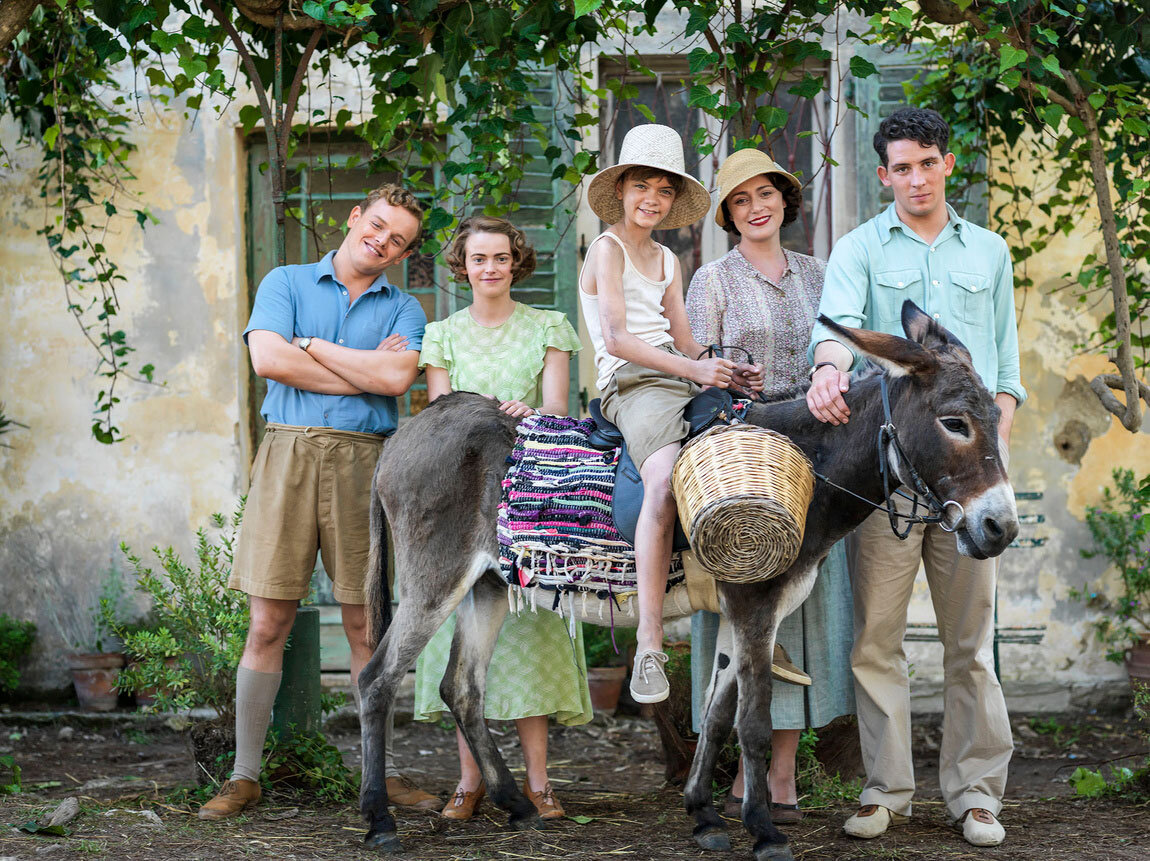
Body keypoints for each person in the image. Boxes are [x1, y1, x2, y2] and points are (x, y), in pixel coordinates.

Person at [806, 107, 1025, 848]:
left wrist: (990, 461)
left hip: (968, 481)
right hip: (892, 483)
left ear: (947, 164)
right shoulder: (860, 248)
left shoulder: (989, 251)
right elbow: (832, 333)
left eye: (927, 163)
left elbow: (1006, 373)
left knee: (972, 642)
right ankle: (886, 789)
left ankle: (977, 794)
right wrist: (827, 376)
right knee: (876, 639)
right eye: (902, 167)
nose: (916, 177)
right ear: (885, 174)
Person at [198, 183, 439, 820]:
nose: (382, 242)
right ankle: (244, 775)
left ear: (402, 253)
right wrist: (356, 366)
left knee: (368, 626)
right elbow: (265, 358)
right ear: (355, 216)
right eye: (378, 226)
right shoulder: (286, 281)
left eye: (399, 241)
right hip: (289, 453)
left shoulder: (404, 308)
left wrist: (310, 345)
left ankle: (378, 778)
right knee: (269, 621)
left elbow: (395, 380)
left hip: (368, 462)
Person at [686, 148, 855, 823]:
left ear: (786, 200)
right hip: (744, 452)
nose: (756, 206)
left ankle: (782, 773)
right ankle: (731, 766)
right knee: (746, 613)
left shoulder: (821, 273)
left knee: (806, 614)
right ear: (728, 214)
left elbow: (842, 350)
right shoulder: (713, 278)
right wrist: (727, 372)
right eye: (741, 199)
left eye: (767, 193)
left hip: (818, 453)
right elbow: (695, 367)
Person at [412, 215, 591, 822]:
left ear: (516, 262)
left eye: (500, 258)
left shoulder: (548, 327)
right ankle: (472, 781)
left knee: (531, 632)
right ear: (462, 266)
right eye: (478, 259)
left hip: (530, 494)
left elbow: (561, 409)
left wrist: (530, 410)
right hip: (462, 499)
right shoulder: (442, 334)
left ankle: (539, 783)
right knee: (462, 635)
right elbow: (440, 414)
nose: (490, 268)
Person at [579, 123, 761, 705]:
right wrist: (695, 373)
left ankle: (749, 610)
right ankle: (651, 642)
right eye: (641, 187)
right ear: (622, 190)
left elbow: (684, 339)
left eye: (663, 190)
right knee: (661, 479)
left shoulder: (666, 258)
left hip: (676, 373)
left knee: (755, 451)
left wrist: (723, 367)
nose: (651, 199)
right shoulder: (606, 250)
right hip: (632, 382)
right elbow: (618, 339)